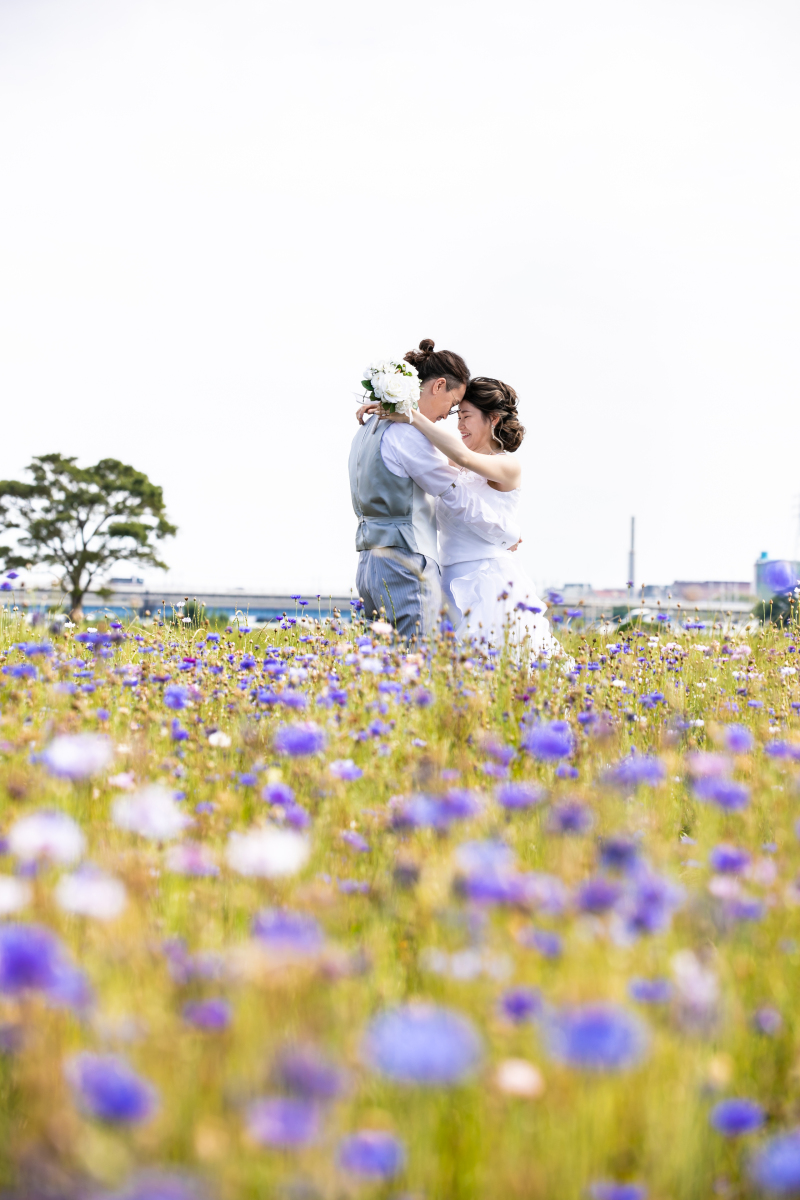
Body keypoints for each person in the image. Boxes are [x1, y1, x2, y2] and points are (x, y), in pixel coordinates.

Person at [368, 375, 565, 661]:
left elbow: (464, 457)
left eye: (467, 416)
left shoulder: (507, 465)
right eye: (457, 416)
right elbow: (418, 450)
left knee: (496, 666)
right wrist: (385, 411)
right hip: (446, 579)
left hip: (487, 581)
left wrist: (410, 415)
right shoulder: (452, 461)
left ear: (493, 419)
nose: (459, 425)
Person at [349, 340, 522, 642]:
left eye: (464, 415)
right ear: (439, 385)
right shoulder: (411, 436)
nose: (452, 421)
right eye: (455, 410)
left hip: (474, 578)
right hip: (420, 566)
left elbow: (461, 467)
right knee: (419, 665)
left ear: (492, 419)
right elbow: (452, 483)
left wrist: (405, 412)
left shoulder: (375, 429)